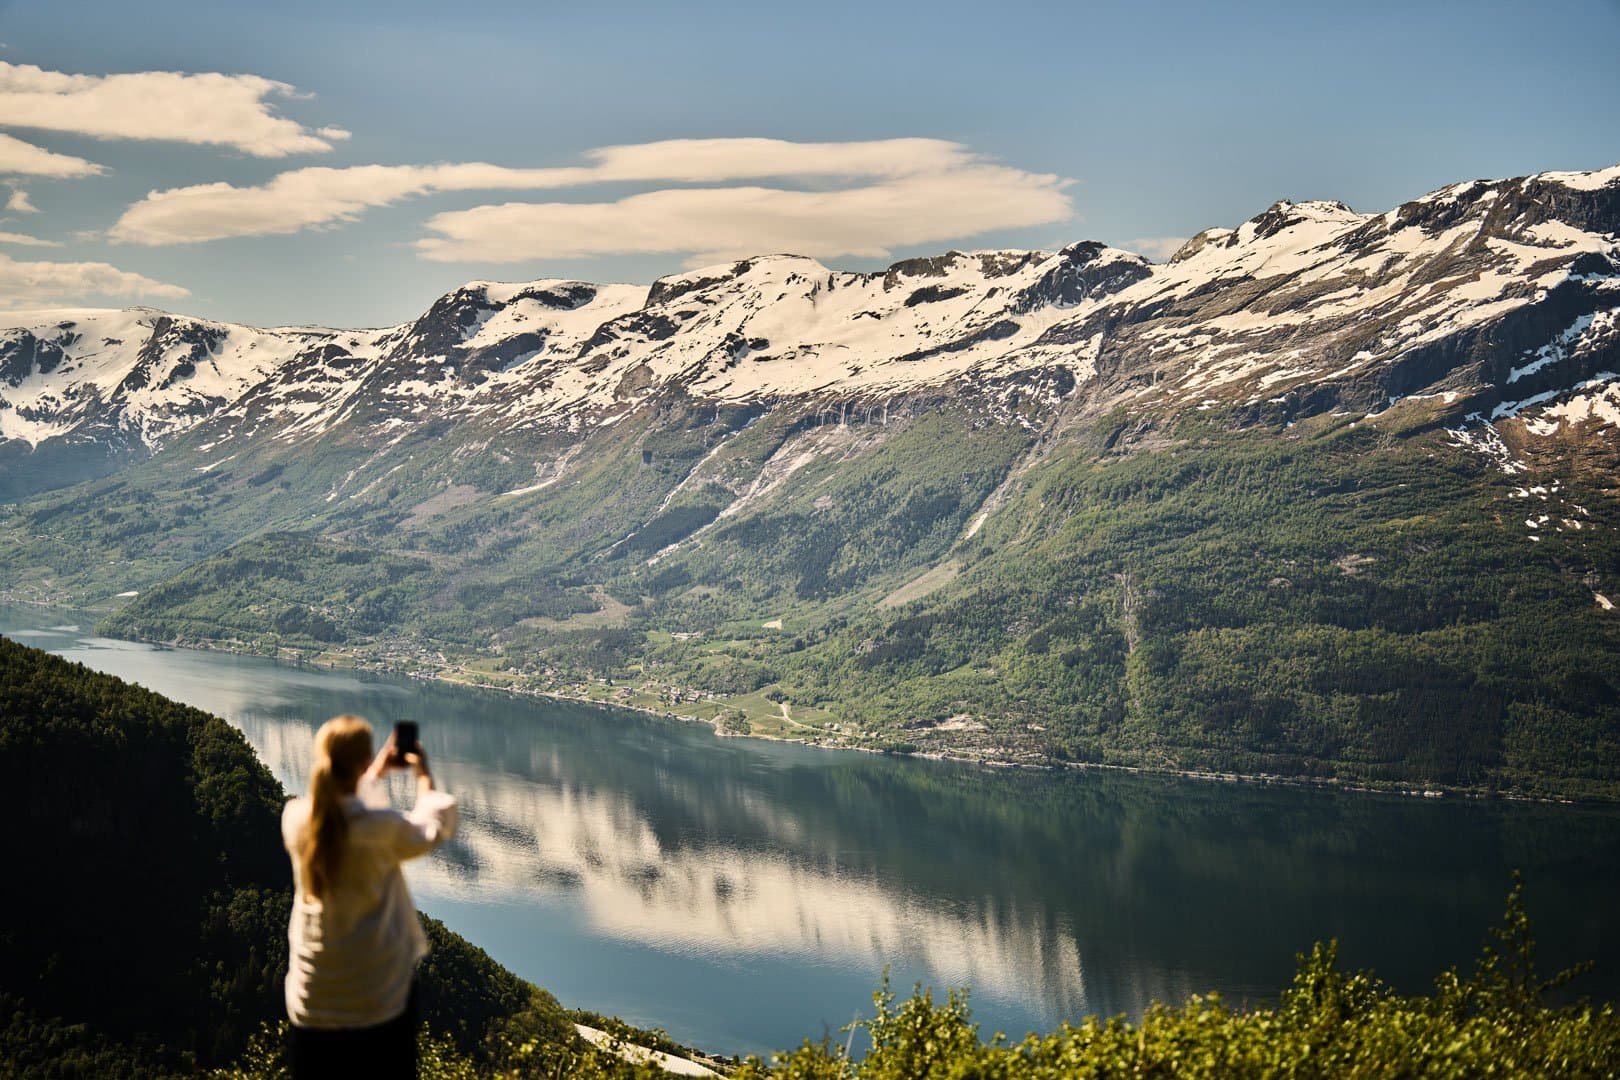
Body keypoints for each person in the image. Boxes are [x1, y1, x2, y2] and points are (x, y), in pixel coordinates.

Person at [280, 715, 458, 1078]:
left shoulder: (297, 820)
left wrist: (374, 770)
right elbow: (432, 826)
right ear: (361, 762)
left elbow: (341, 811)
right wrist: (423, 776)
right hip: (376, 1003)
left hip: (312, 1003)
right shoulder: (382, 829)